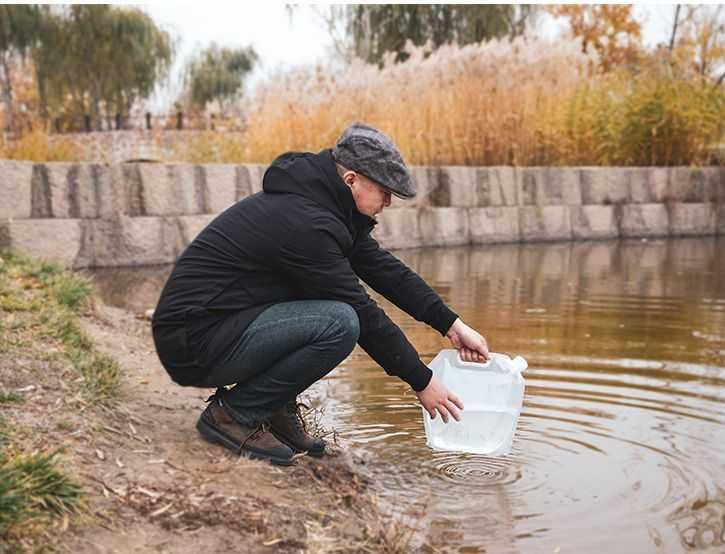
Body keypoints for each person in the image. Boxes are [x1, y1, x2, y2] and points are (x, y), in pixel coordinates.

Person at [151, 123, 490, 466]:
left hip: (217, 327)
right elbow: (363, 312)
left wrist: (451, 324)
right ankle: (234, 415)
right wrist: (422, 381)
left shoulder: (326, 210)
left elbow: (387, 272)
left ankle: (273, 409)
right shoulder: (307, 224)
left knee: (319, 304)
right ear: (351, 180)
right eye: (385, 191)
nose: (389, 201)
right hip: (192, 341)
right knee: (341, 322)